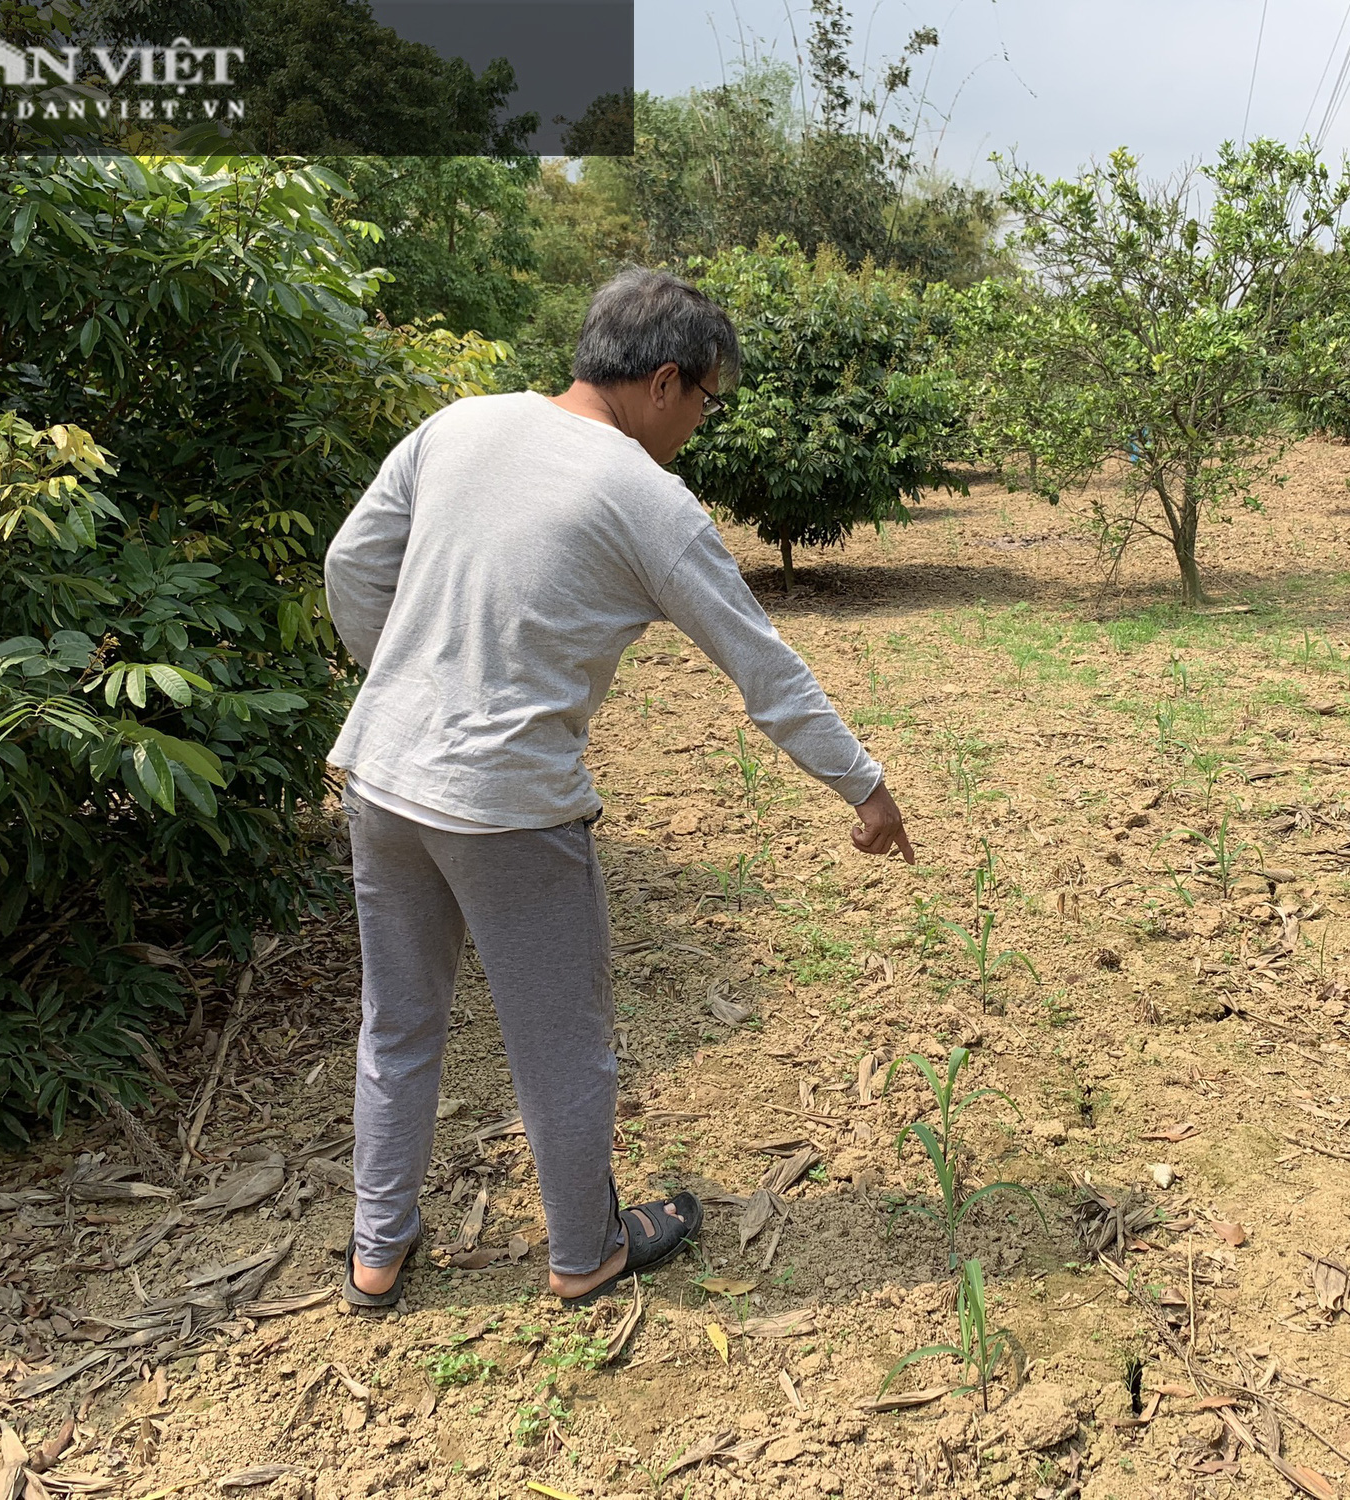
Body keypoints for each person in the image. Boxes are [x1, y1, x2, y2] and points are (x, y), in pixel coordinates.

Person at [323, 267, 915, 1309]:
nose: (696, 423)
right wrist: (862, 785)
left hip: (380, 774)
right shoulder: (646, 498)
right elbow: (762, 669)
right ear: (664, 382)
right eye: (703, 402)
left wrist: (410, 680)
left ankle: (376, 1252)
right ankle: (583, 1253)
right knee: (561, 1040)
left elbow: (351, 563)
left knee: (399, 1021)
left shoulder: (458, 426)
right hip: (508, 805)